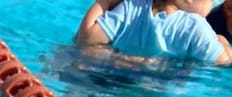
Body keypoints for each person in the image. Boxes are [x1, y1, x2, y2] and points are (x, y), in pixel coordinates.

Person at [74, 0, 232, 63]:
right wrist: (223, 43)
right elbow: (223, 61)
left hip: (108, 74)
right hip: (154, 92)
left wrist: (104, 2)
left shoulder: (130, 7)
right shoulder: (195, 27)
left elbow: (87, 39)